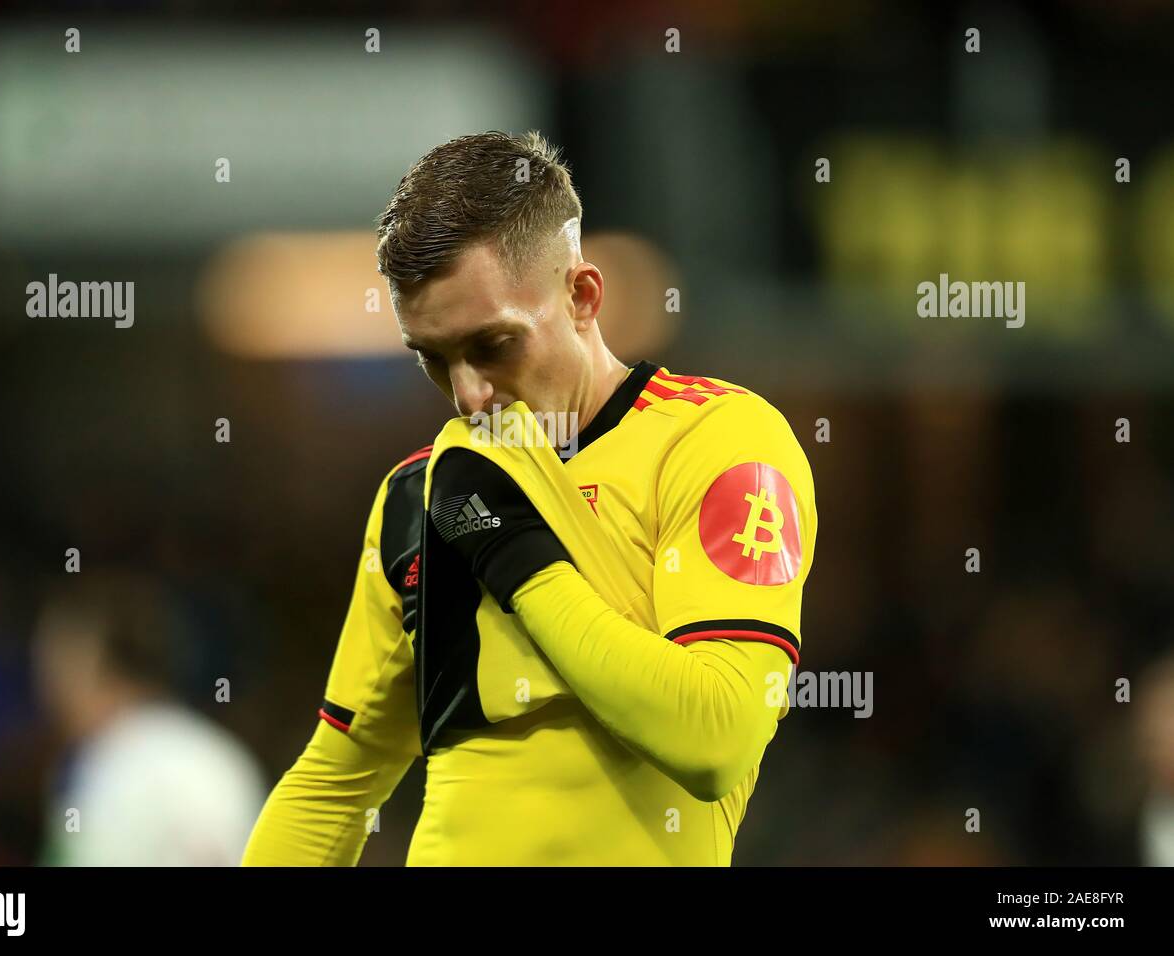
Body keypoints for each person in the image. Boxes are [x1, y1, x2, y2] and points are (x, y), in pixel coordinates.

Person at [243, 130, 817, 865]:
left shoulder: (717, 442)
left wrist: (512, 550)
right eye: (432, 357)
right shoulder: (417, 494)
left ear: (582, 296)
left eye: (492, 345)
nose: (467, 394)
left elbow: (714, 739)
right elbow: (335, 782)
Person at [34, 572, 264, 866]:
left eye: (55, 668)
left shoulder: (113, 764)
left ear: (89, 664)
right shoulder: (224, 753)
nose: (47, 693)